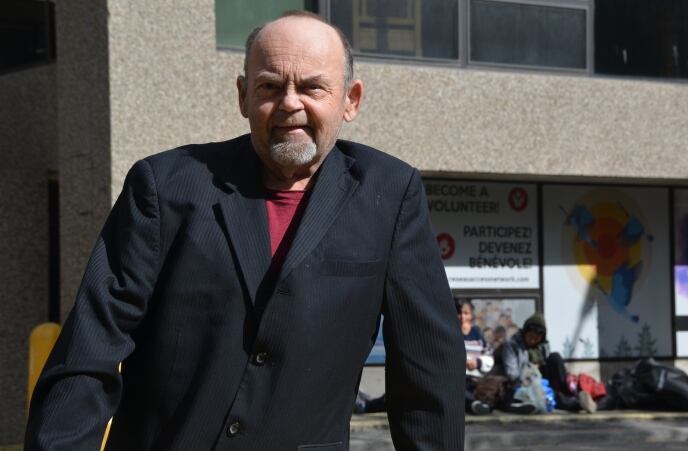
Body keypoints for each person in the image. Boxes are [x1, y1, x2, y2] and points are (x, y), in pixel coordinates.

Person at [25, 11, 465, 450]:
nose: (290, 103)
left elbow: (428, 370)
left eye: (312, 87)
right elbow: (88, 353)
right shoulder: (164, 186)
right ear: (242, 96)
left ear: (350, 100)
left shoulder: (389, 194)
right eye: (270, 86)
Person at [498, 313, 597, 413]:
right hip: (525, 382)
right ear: (525, 332)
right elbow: (512, 374)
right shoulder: (512, 346)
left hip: (543, 379)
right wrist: (533, 373)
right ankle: (578, 403)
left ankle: (571, 394)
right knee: (550, 396)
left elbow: (549, 365)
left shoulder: (543, 346)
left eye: (536, 339)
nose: (532, 341)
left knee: (555, 357)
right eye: (530, 337)